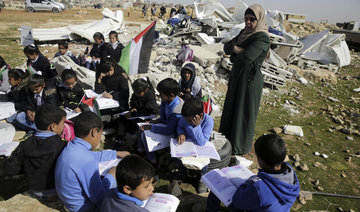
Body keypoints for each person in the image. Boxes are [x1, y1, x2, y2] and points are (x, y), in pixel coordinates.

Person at [219, 4, 270, 155]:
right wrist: (236, 50)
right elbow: (227, 48)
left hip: (250, 81)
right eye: (246, 19)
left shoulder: (262, 38)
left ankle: (239, 147)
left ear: (259, 20)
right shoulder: (243, 33)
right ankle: (226, 142)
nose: (248, 22)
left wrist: (236, 52)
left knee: (243, 111)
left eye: (252, 19)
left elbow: (246, 59)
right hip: (237, 77)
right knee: (231, 108)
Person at [55, 111, 130, 212]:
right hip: (85, 208)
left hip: (70, 202)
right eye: (100, 133)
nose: (100, 138)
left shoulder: (72, 146)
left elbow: (93, 155)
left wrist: (116, 153)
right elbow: (99, 198)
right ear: (94, 132)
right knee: (121, 183)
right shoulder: (87, 161)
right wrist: (111, 176)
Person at [206, 134, 300, 212]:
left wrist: (250, 181)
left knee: (218, 185)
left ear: (261, 161)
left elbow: (237, 201)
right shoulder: (290, 172)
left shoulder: (259, 188)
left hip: (254, 201)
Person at [3, 106, 67, 199]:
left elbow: (10, 168)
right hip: (56, 190)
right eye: (63, 123)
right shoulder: (62, 145)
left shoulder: (25, 143)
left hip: (34, 190)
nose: (64, 126)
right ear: (53, 126)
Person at [138, 78, 183, 164]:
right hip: (166, 126)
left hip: (173, 134)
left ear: (171, 94)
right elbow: (164, 118)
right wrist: (155, 122)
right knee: (142, 128)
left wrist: (151, 127)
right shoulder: (166, 101)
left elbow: (169, 130)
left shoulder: (177, 109)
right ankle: (141, 150)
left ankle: (152, 159)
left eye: (161, 94)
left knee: (145, 135)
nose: (159, 95)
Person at [175, 97, 214, 193]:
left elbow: (202, 142)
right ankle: (183, 173)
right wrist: (181, 133)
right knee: (178, 157)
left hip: (201, 148)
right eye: (186, 120)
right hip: (187, 145)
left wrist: (197, 126)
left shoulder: (208, 121)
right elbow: (180, 126)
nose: (186, 122)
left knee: (204, 163)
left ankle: (201, 179)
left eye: (189, 121)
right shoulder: (186, 117)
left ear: (200, 116)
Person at [115, 77, 159, 146]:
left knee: (136, 125)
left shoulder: (150, 94)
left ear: (145, 90)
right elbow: (132, 102)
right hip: (137, 114)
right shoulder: (136, 93)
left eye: (138, 93)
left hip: (147, 116)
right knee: (121, 119)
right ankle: (119, 138)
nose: (136, 94)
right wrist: (133, 108)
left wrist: (133, 114)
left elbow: (148, 110)